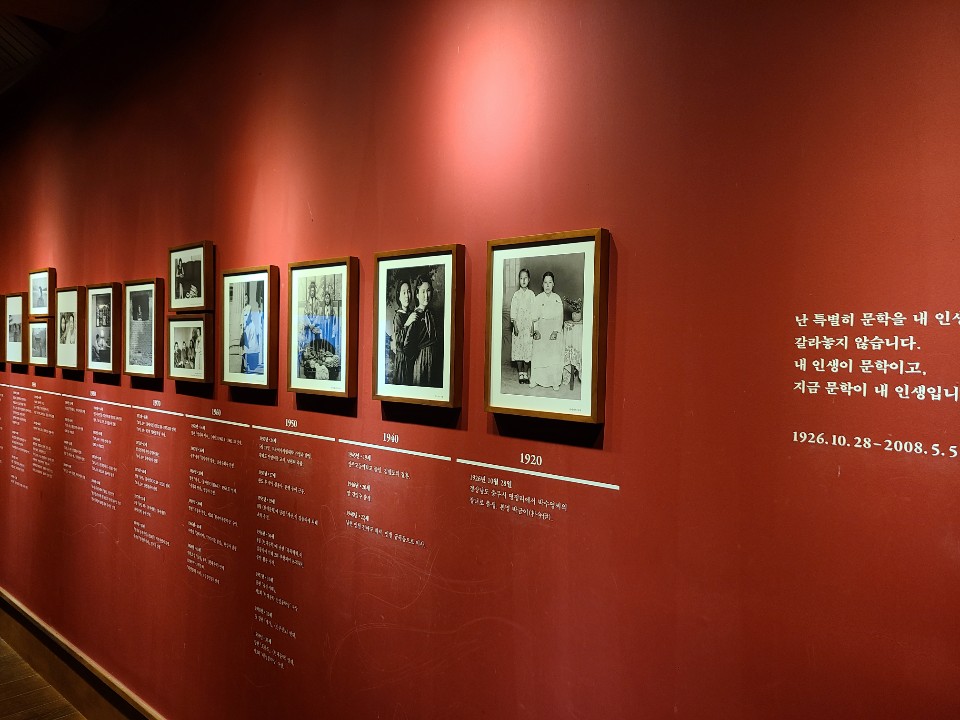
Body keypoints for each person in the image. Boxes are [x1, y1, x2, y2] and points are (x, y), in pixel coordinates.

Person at [401, 275, 442, 387]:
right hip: (421, 362)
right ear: (417, 294)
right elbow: (407, 346)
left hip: (434, 359)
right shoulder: (415, 316)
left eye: (428, 291)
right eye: (423, 292)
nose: (426, 295)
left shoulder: (432, 314)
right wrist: (420, 357)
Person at [530, 271, 564, 390]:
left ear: (553, 284)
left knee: (553, 354)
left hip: (553, 329)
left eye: (550, 282)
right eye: (545, 282)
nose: (548, 285)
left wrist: (555, 331)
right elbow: (534, 317)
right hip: (541, 329)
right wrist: (536, 330)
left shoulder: (557, 298)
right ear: (542, 284)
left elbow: (559, 317)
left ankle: (554, 381)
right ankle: (536, 379)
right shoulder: (538, 298)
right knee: (538, 352)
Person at [509, 268, 536, 384]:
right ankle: (520, 373)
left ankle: (526, 372)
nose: (523, 280)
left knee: (527, 349)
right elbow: (513, 311)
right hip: (519, 327)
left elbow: (534, 311)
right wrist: (515, 325)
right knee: (518, 349)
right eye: (521, 278)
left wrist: (533, 326)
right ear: (519, 280)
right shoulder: (516, 295)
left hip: (528, 327)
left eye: (525, 278)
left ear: (529, 280)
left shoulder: (531, 295)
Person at [390, 280, 413, 384]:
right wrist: (407, 323)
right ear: (399, 296)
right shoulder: (398, 316)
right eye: (403, 292)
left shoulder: (412, 313)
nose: (407, 296)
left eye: (408, 292)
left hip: (411, 358)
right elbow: (398, 341)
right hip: (402, 360)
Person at [242, 293, 262, 374]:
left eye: (246, 298)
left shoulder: (248, 307)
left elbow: (247, 318)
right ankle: (246, 364)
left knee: (250, 345)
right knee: (245, 346)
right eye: (244, 298)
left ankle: (250, 364)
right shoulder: (243, 308)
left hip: (249, 327)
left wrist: (244, 326)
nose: (245, 299)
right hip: (245, 328)